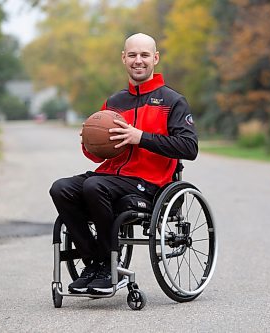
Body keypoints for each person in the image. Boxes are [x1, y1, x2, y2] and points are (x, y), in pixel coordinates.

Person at [49, 33, 198, 294]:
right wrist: (90, 143)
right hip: (110, 176)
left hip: (150, 183)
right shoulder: (114, 103)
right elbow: (100, 156)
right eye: (132, 55)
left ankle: (108, 266)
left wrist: (140, 138)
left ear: (155, 58)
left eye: (144, 55)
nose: (138, 61)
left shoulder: (172, 101)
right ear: (123, 58)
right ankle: (95, 262)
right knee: (61, 188)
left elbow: (189, 147)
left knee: (95, 187)